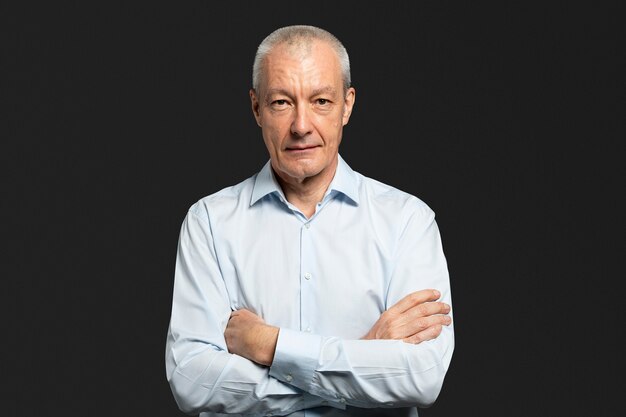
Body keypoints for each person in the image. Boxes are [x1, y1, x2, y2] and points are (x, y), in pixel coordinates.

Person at [165, 25, 454, 417]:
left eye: (320, 101)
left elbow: (422, 376)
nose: (301, 126)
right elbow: (192, 380)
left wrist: (268, 344)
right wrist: (365, 356)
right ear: (256, 108)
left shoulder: (407, 222)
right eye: (282, 102)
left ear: (347, 106)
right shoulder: (209, 224)